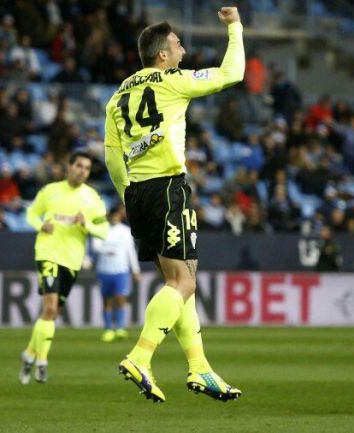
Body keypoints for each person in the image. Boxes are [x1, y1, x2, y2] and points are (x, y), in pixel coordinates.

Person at [103, 6, 244, 403]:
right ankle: (140, 357)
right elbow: (232, 74)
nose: (183, 49)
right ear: (161, 55)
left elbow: (113, 158)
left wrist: (127, 196)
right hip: (168, 187)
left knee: (184, 281)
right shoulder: (172, 81)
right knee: (182, 281)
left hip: (138, 192)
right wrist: (234, 26)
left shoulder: (116, 99)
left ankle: (199, 367)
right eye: (178, 44)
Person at [19, 152, 107, 384]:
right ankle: (41, 362)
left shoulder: (92, 198)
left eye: (87, 168)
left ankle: (29, 354)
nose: (82, 171)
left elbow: (104, 230)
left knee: (53, 313)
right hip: (48, 254)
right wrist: (41, 224)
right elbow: (30, 213)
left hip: (72, 260)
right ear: (69, 166)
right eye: (78, 165)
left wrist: (85, 223)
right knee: (49, 308)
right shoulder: (50, 191)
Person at [91, 205, 141, 342]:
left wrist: (136, 270)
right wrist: (107, 251)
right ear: (109, 216)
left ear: (119, 216)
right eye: (112, 215)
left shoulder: (125, 231)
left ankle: (120, 328)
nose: (114, 217)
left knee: (120, 298)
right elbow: (95, 246)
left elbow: (131, 251)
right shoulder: (101, 229)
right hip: (104, 270)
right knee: (106, 300)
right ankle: (108, 329)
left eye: (116, 215)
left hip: (121, 270)